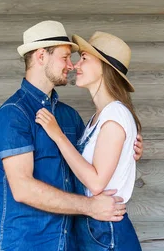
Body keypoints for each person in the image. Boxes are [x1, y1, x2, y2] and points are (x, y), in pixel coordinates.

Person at [0, 21, 143, 251]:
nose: (71, 66)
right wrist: (90, 207)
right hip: (27, 243)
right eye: (65, 57)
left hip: (70, 242)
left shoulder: (68, 117)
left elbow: (90, 163)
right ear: (41, 56)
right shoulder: (14, 114)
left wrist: (126, 149)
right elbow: (22, 188)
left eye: (78, 58)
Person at [35, 31, 142, 251]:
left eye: (84, 58)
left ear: (104, 67)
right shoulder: (99, 117)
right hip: (93, 226)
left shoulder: (115, 116)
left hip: (105, 229)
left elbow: (95, 183)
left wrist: (57, 135)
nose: (75, 65)